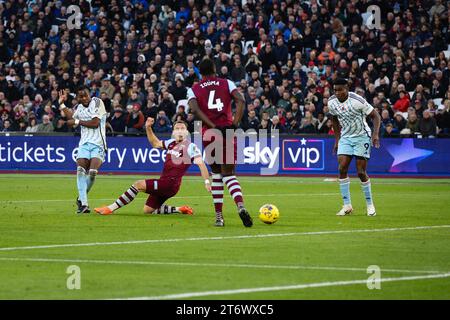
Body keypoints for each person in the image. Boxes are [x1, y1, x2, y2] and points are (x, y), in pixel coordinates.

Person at [94, 118, 211, 215]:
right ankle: (179, 209)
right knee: (148, 210)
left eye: (182, 128)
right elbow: (155, 143)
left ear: (186, 132)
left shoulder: (191, 147)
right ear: (173, 132)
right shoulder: (170, 143)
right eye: (177, 128)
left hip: (170, 184)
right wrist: (148, 128)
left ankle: (110, 208)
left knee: (138, 184)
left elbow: (201, 165)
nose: (180, 131)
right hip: (165, 183)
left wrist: (206, 181)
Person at [187, 57, 252, 227]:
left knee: (216, 174)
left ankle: (219, 217)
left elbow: (194, 109)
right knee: (229, 173)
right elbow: (241, 100)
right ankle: (240, 206)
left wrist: (212, 125)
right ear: (215, 69)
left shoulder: (194, 89)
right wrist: (234, 123)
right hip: (227, 131)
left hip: (209, 134)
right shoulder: (227, 83)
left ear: (200, 73)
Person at [328, 78, 381, 217]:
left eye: (340, 90)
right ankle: (347, 206)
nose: (337, 93)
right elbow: (334, 119)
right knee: (342, 168)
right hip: (345, 137)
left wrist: (375, 135)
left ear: (347, 88)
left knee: (360, 172)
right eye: (335, 90)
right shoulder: (331, 102)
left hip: (362, 136)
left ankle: (370, 205)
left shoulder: (357, 100)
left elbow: (376, 116)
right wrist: (337, 140)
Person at [58, 87, 107, 214]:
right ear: (78, 98)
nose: (84, 98)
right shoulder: (79, 107)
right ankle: (84, 204)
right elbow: (71, 116)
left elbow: (95, 123)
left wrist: (77, 121)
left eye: (85, 95)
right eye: (80, 97)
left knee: (92, 172)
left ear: (89, 94)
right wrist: (62, 104)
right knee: (80, 170)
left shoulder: (97, 102)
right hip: (84, 143)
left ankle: (80, 198)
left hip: (98, 144)